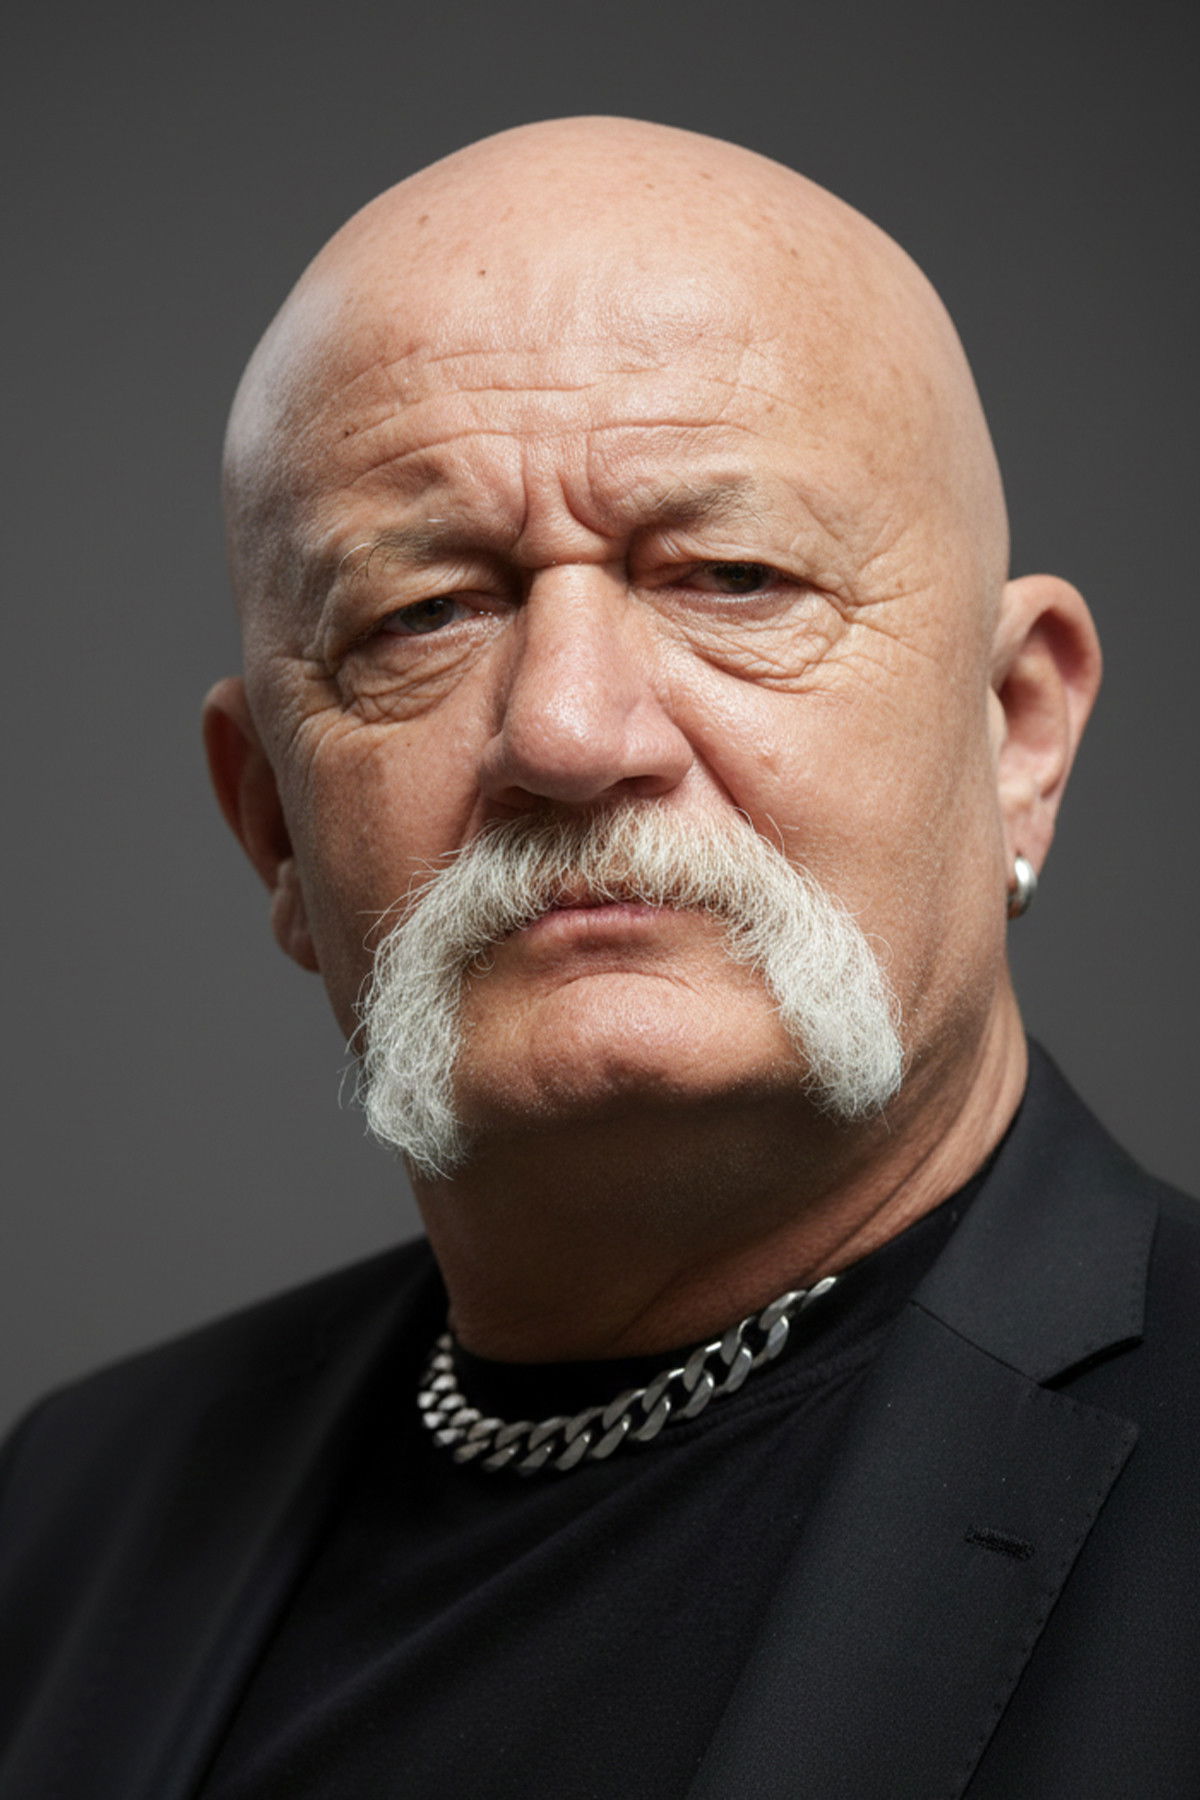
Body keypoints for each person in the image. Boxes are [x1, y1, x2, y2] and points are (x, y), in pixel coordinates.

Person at [1, 117, 1197, 1800]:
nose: (569, 734)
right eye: (423, 615)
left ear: (1018, 732)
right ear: (273, 826)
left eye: (732, 577)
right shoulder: (67, 1512)